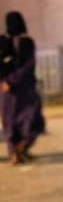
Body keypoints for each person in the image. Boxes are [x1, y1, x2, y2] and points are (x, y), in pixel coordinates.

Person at [0, 11, 46, 165]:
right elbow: (28, 66)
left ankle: (19, 150)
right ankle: (18, 151)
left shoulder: (23, 42)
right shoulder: (8, 42)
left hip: (16, 88)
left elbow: (28, 65)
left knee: (22, 120)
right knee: (19, 120)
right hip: (16, 89)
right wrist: (6, 81)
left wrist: (7, 81)